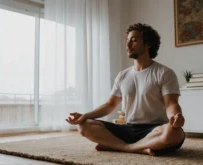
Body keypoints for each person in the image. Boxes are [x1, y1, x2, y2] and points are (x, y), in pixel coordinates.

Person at [66, 23, 185, 156]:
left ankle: (118, 146)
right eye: (127, 40)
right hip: (129, 129)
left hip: (155, 129)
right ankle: (134, 148)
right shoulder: (122, 75)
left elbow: (171, 103)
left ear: (148, 44)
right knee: (83, 125)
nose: (128, 45)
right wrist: (84, 115)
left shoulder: (164, 73)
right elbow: (110, 105)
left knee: (175, 133)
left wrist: (175, 117)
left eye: (134, 40)